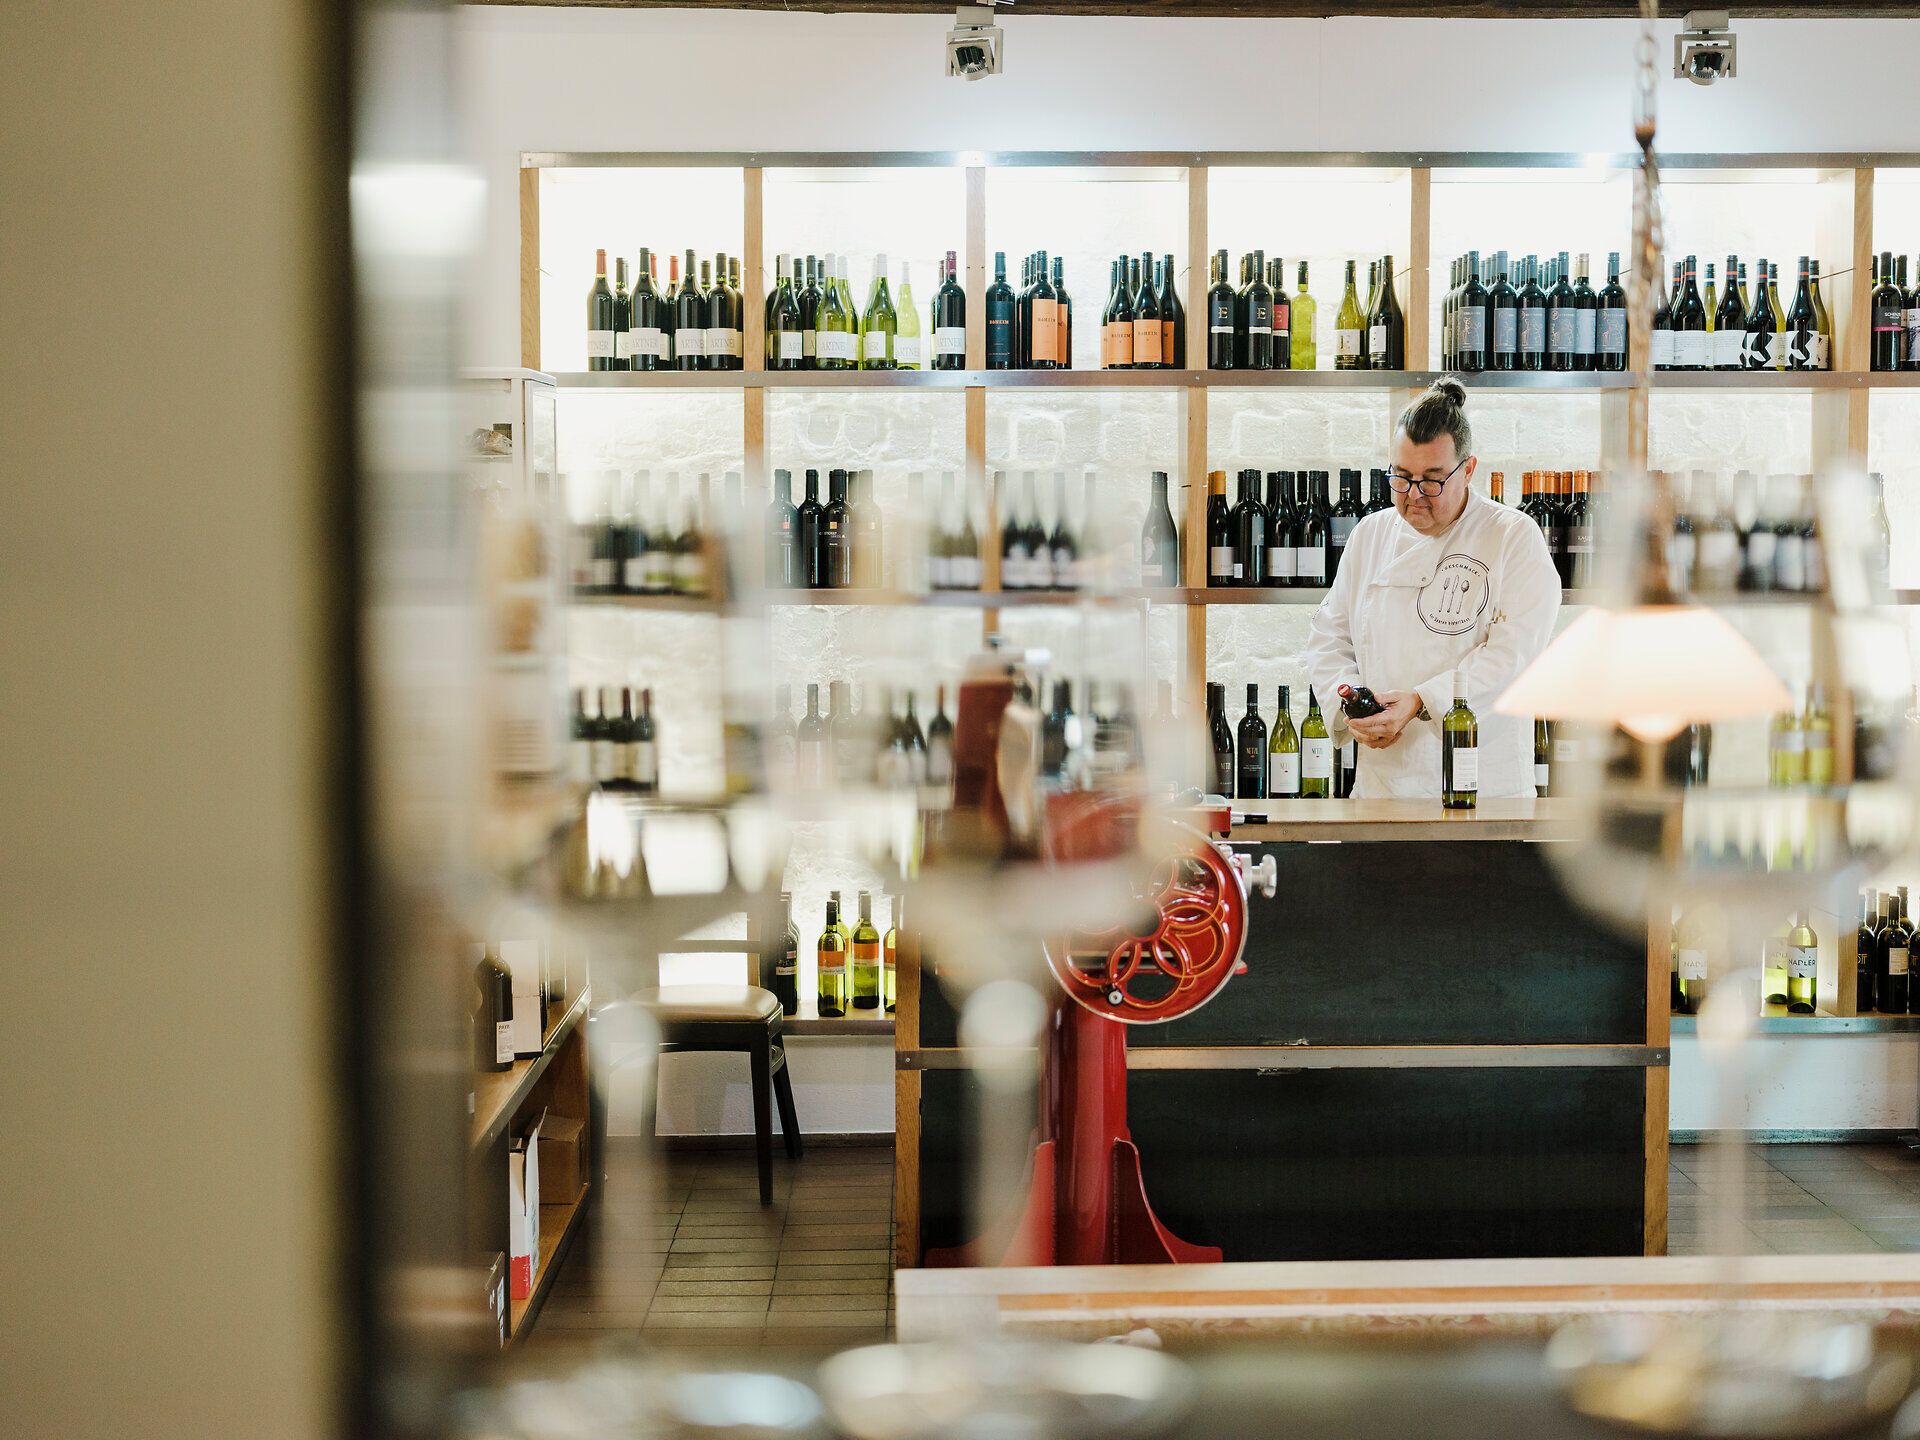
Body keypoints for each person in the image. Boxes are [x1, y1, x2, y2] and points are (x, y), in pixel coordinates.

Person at [1303, 376, 1560, 799]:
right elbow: (1329, 636)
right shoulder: (1371, 533)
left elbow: (1514, 655)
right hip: (1383, 786)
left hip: (1482, 787)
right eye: (1401, 478)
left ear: (1469, 469)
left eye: (1432, 480)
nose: (1414, 495)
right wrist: (1353, 708)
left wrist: (1421, 700)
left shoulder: (1511, 536)